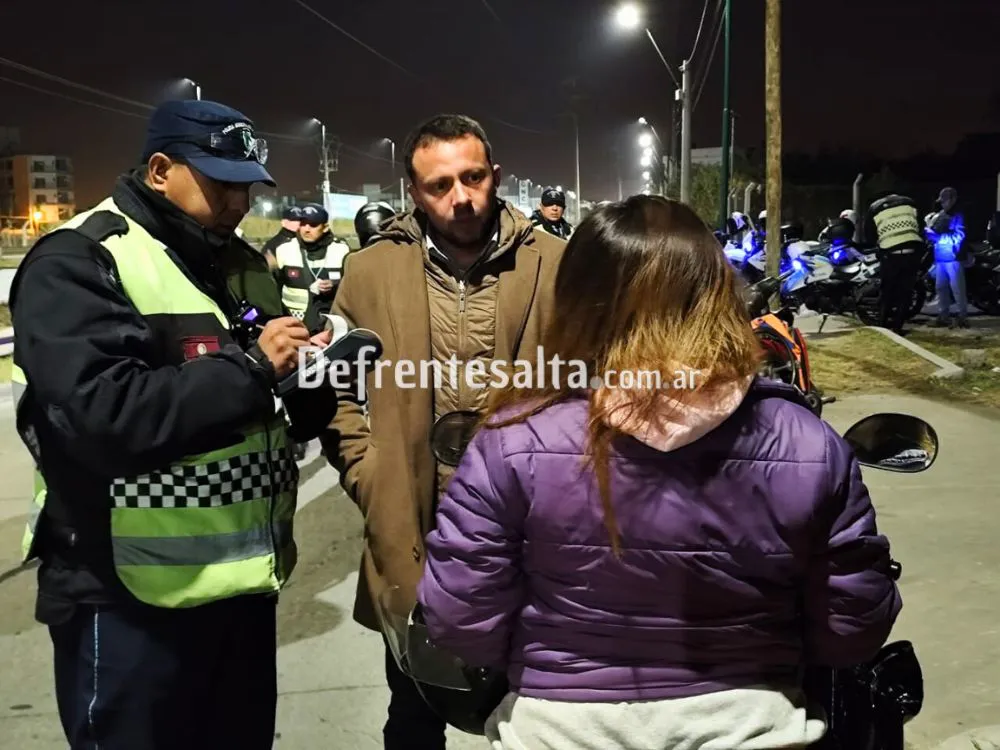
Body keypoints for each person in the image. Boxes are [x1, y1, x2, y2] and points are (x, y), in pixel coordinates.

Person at [415, 195, 902, 750]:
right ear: (716, 293)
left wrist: (550, 663)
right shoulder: (806, 442)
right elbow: (853, 624)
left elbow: (458, 616)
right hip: (753, 726)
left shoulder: (514, 437)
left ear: (577, 297)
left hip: (558, 731)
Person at [8, 99, 339, 750]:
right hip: (126, 600)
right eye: (221, 182)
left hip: (240, 591)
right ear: (160, 170)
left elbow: (270, 410)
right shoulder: (81, 260)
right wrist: (252, 368)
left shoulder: (242, 265)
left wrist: (318, 380)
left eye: (248, 185)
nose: (239, 201)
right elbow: (97, 417)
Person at [320, 113, 567, 750]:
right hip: (416, 515)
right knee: (413, 711)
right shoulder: (370, 272)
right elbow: (337, 385)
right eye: (438, 185)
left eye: (473, 177)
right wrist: (366, 469)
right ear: (413, 192)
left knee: (540, 716)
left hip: (531, 527)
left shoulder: (558, 264)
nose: (460, 197)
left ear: (497, 178)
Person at [273, 202, 351, 332]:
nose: (306, 229)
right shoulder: (284, 250)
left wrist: (335, 285)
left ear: (325, 227)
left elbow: (351, 286)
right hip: (295, 325)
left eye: (313, 225)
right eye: (303, 224)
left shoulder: (341, 250)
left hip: (331, 324)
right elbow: (274, 289)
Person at [864, 192, 926, 332]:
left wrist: (879, 246)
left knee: (887, 291)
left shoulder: (875, 207)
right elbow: (921, 226)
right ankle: (898, 327)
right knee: (906, 293)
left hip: (890, 253)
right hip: (912, 252)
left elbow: (869, 234)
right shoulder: (910, 203)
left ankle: (883, 325)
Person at [926, 186, 969, 328]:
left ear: (952, 200)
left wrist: (937, 237)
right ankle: (943, 316)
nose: (943, 203)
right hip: (940, 258)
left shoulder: (958, 216)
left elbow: (958, 237)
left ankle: (962, 317)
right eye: (942, 201)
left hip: (953, 258)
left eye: (945, 201)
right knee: (941, 288)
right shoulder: (941, 214)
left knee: (957, 289)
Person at [261, 204, 302, 269]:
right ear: (284, 223)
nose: (299, 223)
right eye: (294, 220)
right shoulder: (273, 244)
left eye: (301, 220)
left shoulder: (304, 240)